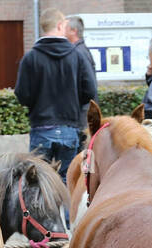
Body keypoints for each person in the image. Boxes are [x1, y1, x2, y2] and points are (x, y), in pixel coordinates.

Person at [14, 9, 96, 181]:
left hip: (41, 128)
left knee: (39, 183)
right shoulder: (77, 56)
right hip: (69, 129)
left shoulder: (30, 58)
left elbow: (22, 95)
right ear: (59, 25)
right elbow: (90, 91)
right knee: (66, 181)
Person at [65, 15, 97, 144]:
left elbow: (89, 87)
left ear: (74, 31)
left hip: (82, 115)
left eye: (65, 27)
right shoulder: (80, 50)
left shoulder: (78, 52)